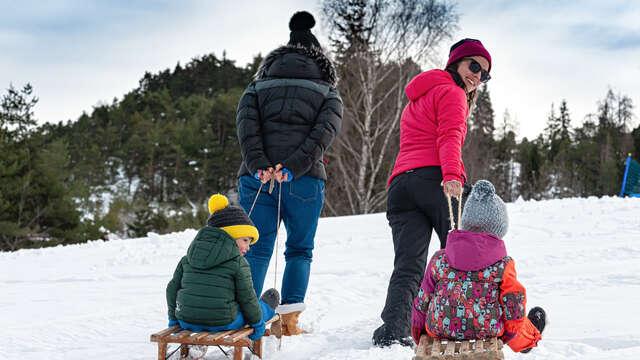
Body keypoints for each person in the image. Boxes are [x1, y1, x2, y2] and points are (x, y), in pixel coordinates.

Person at [373, 38, 493, 346]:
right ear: (456, 63)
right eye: (474, 66)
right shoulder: (452, 92)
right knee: (463, 257)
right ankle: (462, 325)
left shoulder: (418, 96)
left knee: (409, 264)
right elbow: (449, 135)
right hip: (436, 180)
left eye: (485, 74)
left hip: (401, 185)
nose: (477, 76)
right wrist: (452, 173)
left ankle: (393, 331)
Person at [235, 10, 343, 335]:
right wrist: (293, 167)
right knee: (299, 250)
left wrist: (259, 166)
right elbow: (322, 136)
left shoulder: (255, 88)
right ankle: (288, 322)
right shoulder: (328, 92)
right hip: (305, 180)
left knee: (255, 245)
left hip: (258, 179)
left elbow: (246, 129)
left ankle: (249, 319)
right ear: (320, 60)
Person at [411, 180, 546, 353]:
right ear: (499, 229)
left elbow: (424, 297)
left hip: (439, 328)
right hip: (487, 330)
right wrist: (510, 336)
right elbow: (514, 302)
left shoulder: (439, 259)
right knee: (514, 317)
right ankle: (528, 339)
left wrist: (419, 332)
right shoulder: (503, 265)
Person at [166, 194, 280, 341]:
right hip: (224, 322)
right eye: (245, 240)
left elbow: (172, 289)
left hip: (186, 320)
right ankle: (268, 306)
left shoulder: (187, 259)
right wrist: (258, 326)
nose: (248, 247)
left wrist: (174, 320)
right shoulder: (238, 263)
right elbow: (247, 299)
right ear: (231, 236)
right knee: (255, 306)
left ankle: (198, 344)